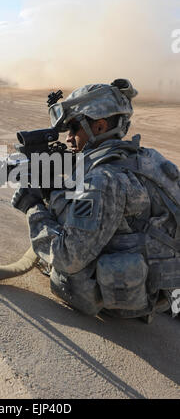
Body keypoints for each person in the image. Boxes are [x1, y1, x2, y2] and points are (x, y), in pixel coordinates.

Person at [11, 79, 180, 322]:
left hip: (144, 295)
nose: (68, 138)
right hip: (167, 279)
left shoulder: (103, 179)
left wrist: (33, 208)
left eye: (73, 129)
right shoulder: (146, 157)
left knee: (67, 278)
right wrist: (55, 191)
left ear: (99, 127)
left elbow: (69, 258)